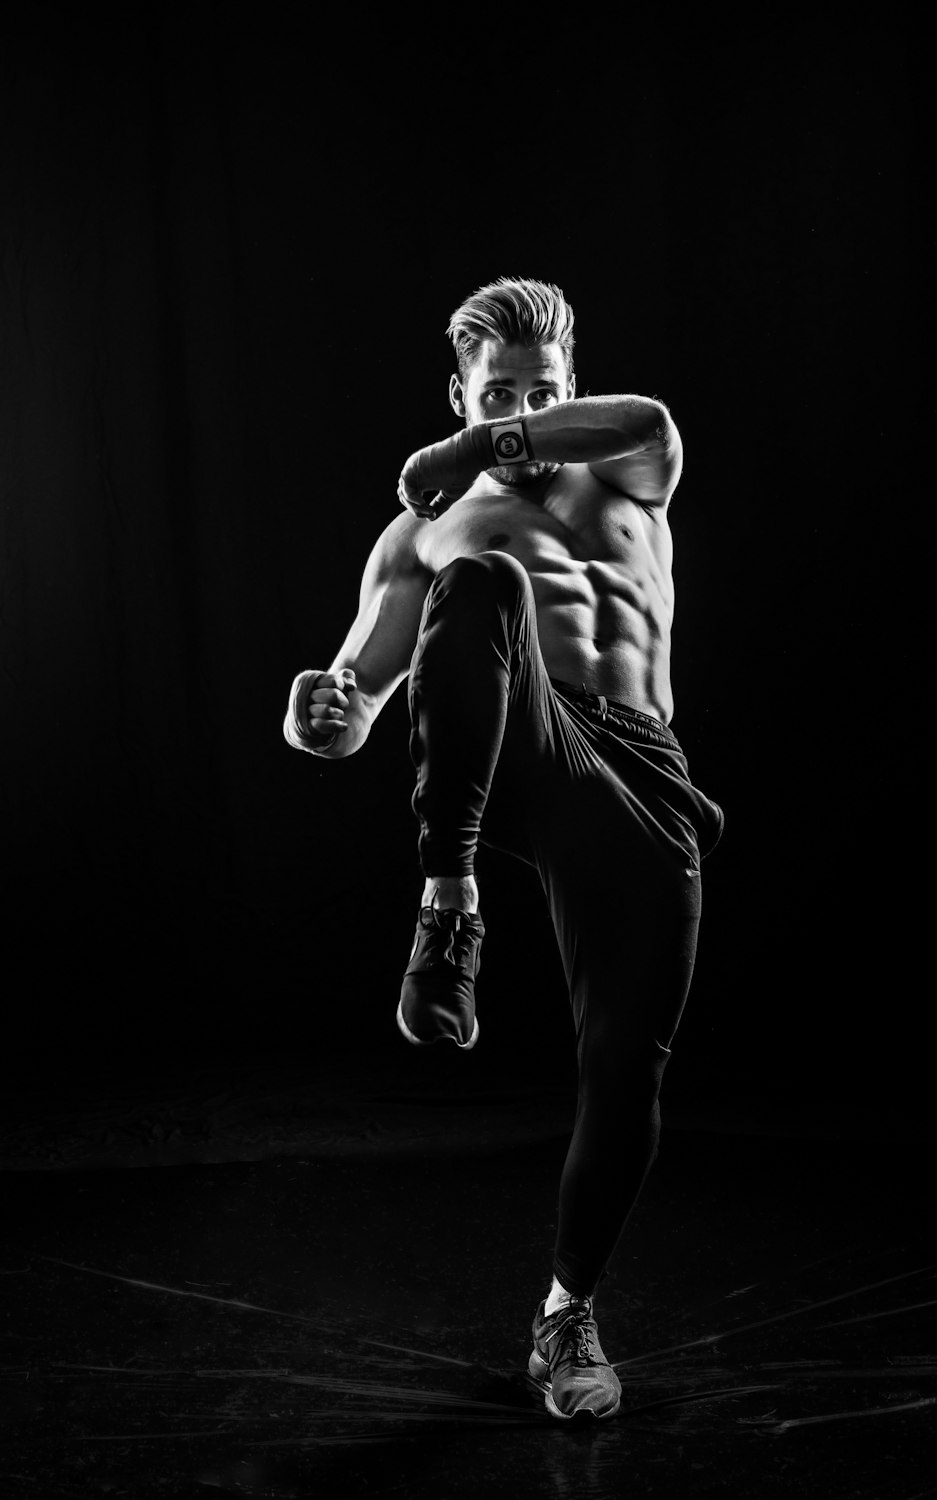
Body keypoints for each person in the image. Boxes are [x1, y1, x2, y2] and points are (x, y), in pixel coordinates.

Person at [284, 278, 723, 1422]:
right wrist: (316, 715)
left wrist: (480, 437)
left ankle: (563, 1312)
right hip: (512, 741)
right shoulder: (425, 531)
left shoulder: (622, 465)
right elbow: (357, 704)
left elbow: (654, 425)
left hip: (637, 776)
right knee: (482, 580)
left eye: (539, 392)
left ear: (564, 390)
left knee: (629, 1069)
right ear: (456, 389)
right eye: (495, 392)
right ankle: (449, 905)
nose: (521, 410)